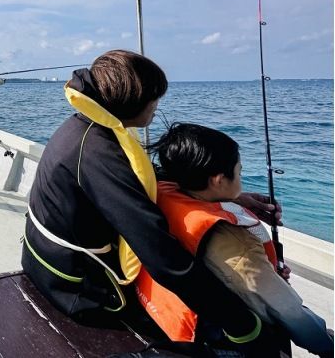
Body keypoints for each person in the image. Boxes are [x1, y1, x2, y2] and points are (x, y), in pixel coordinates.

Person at [22, 49, 283, 356]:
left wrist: (231, 195)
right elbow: (161, 254)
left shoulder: (89, 126)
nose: (158, 105)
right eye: (155, 97)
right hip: (77, 289)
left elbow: (140, 175)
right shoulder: (98, 154)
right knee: (236, 335)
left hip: (46, 261)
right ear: (132, 101)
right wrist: (242, 325)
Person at [140, 123, 333, 357]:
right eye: (240, 172)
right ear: (218, 180)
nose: (240, 176)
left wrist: (237, 200)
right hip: (225, 341)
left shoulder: (162, 191)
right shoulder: (232, 241)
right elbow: (285, 309)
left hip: (169, 322)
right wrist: (325, 342)